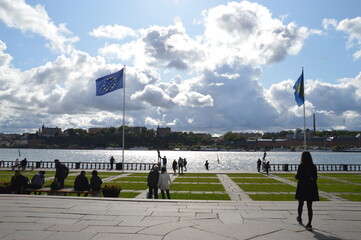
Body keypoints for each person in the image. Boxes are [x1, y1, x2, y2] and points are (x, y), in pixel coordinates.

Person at [295, 151, 319, 230]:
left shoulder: (301, 166)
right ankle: (309, 223)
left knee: (300, 204)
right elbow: (315, 178)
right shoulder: (313, 166)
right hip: (310, 188)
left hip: (302, 187)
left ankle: (300, 217)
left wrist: (296, 176)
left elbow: (298, 176)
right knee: (309, 207)